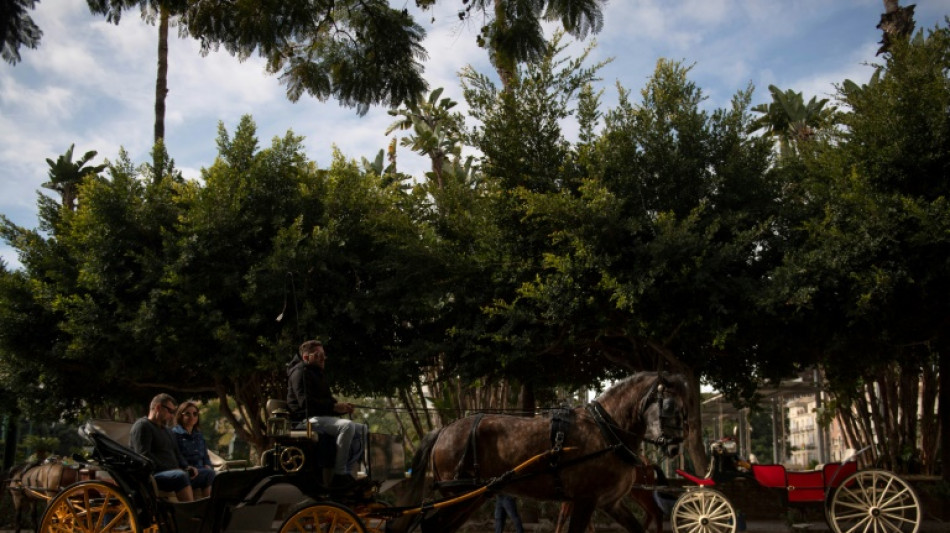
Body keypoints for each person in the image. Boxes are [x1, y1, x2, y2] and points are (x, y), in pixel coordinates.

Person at [287, 339, 367, 488]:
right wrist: (334, 407)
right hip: (304, 421)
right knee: (347, 426)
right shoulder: (300, 373)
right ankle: (339, 475)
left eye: (323, 355)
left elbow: (328, 402)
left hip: (319, 419)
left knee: (362, 429)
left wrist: (341, 407)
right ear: (306, 357)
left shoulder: (318, 373)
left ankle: (349, 472)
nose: (323, 358)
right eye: (318, 355)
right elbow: (306, 403)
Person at [130, 393, 197, 502]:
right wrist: (171, 468)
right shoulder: (143, 426)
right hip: (154, 475)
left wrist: (186, 467)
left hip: (173, 471)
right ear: (158, 407)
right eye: (170, 411)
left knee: (207, 474)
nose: (172, 416)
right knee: (180, 476)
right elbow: (144, 456)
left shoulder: (167, 431)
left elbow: (177, 453)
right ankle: (190, 514)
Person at [172, 400, 216, 498]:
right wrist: (187, 467)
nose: (192, 416)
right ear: (180, 415)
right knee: (210, 474)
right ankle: (209, 507)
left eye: (195, 414)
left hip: (202, 469)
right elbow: (176, 456)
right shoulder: (175, 434)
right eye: (187, 413)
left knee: (214, 474)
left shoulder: (199, 435)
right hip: (189, 472)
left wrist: (208, 464)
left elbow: (205, 455)